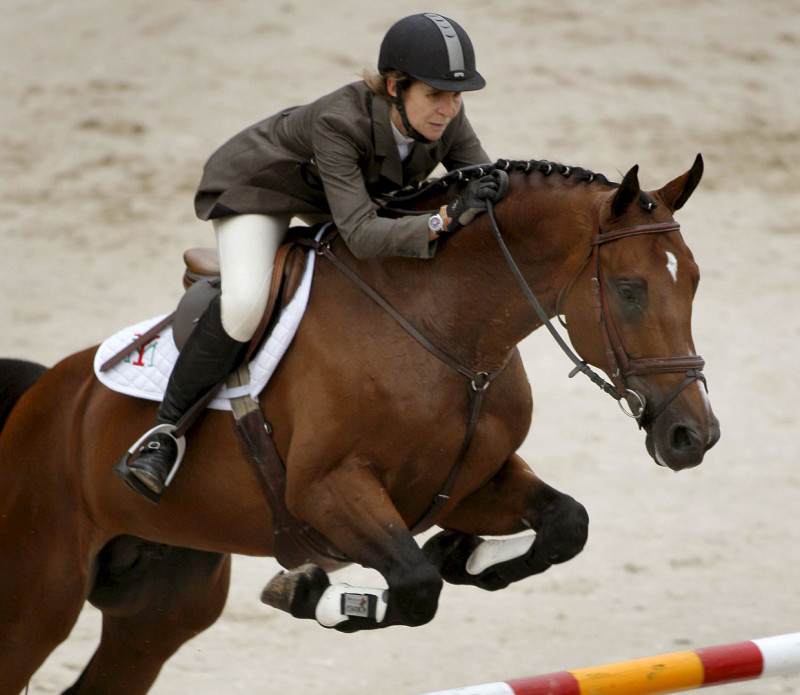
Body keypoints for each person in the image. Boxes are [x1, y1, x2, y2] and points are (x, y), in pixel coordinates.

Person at [118, 12, 507, 501]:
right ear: (394, 86)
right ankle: (165, 434)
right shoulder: (338, 122)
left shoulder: (444, 116)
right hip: (258, 192)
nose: (448, 109)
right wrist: (444, 220)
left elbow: (481, 183)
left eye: (457, 96)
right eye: (435, 94)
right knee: (244, 305)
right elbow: (364, 235)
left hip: (334, 199)